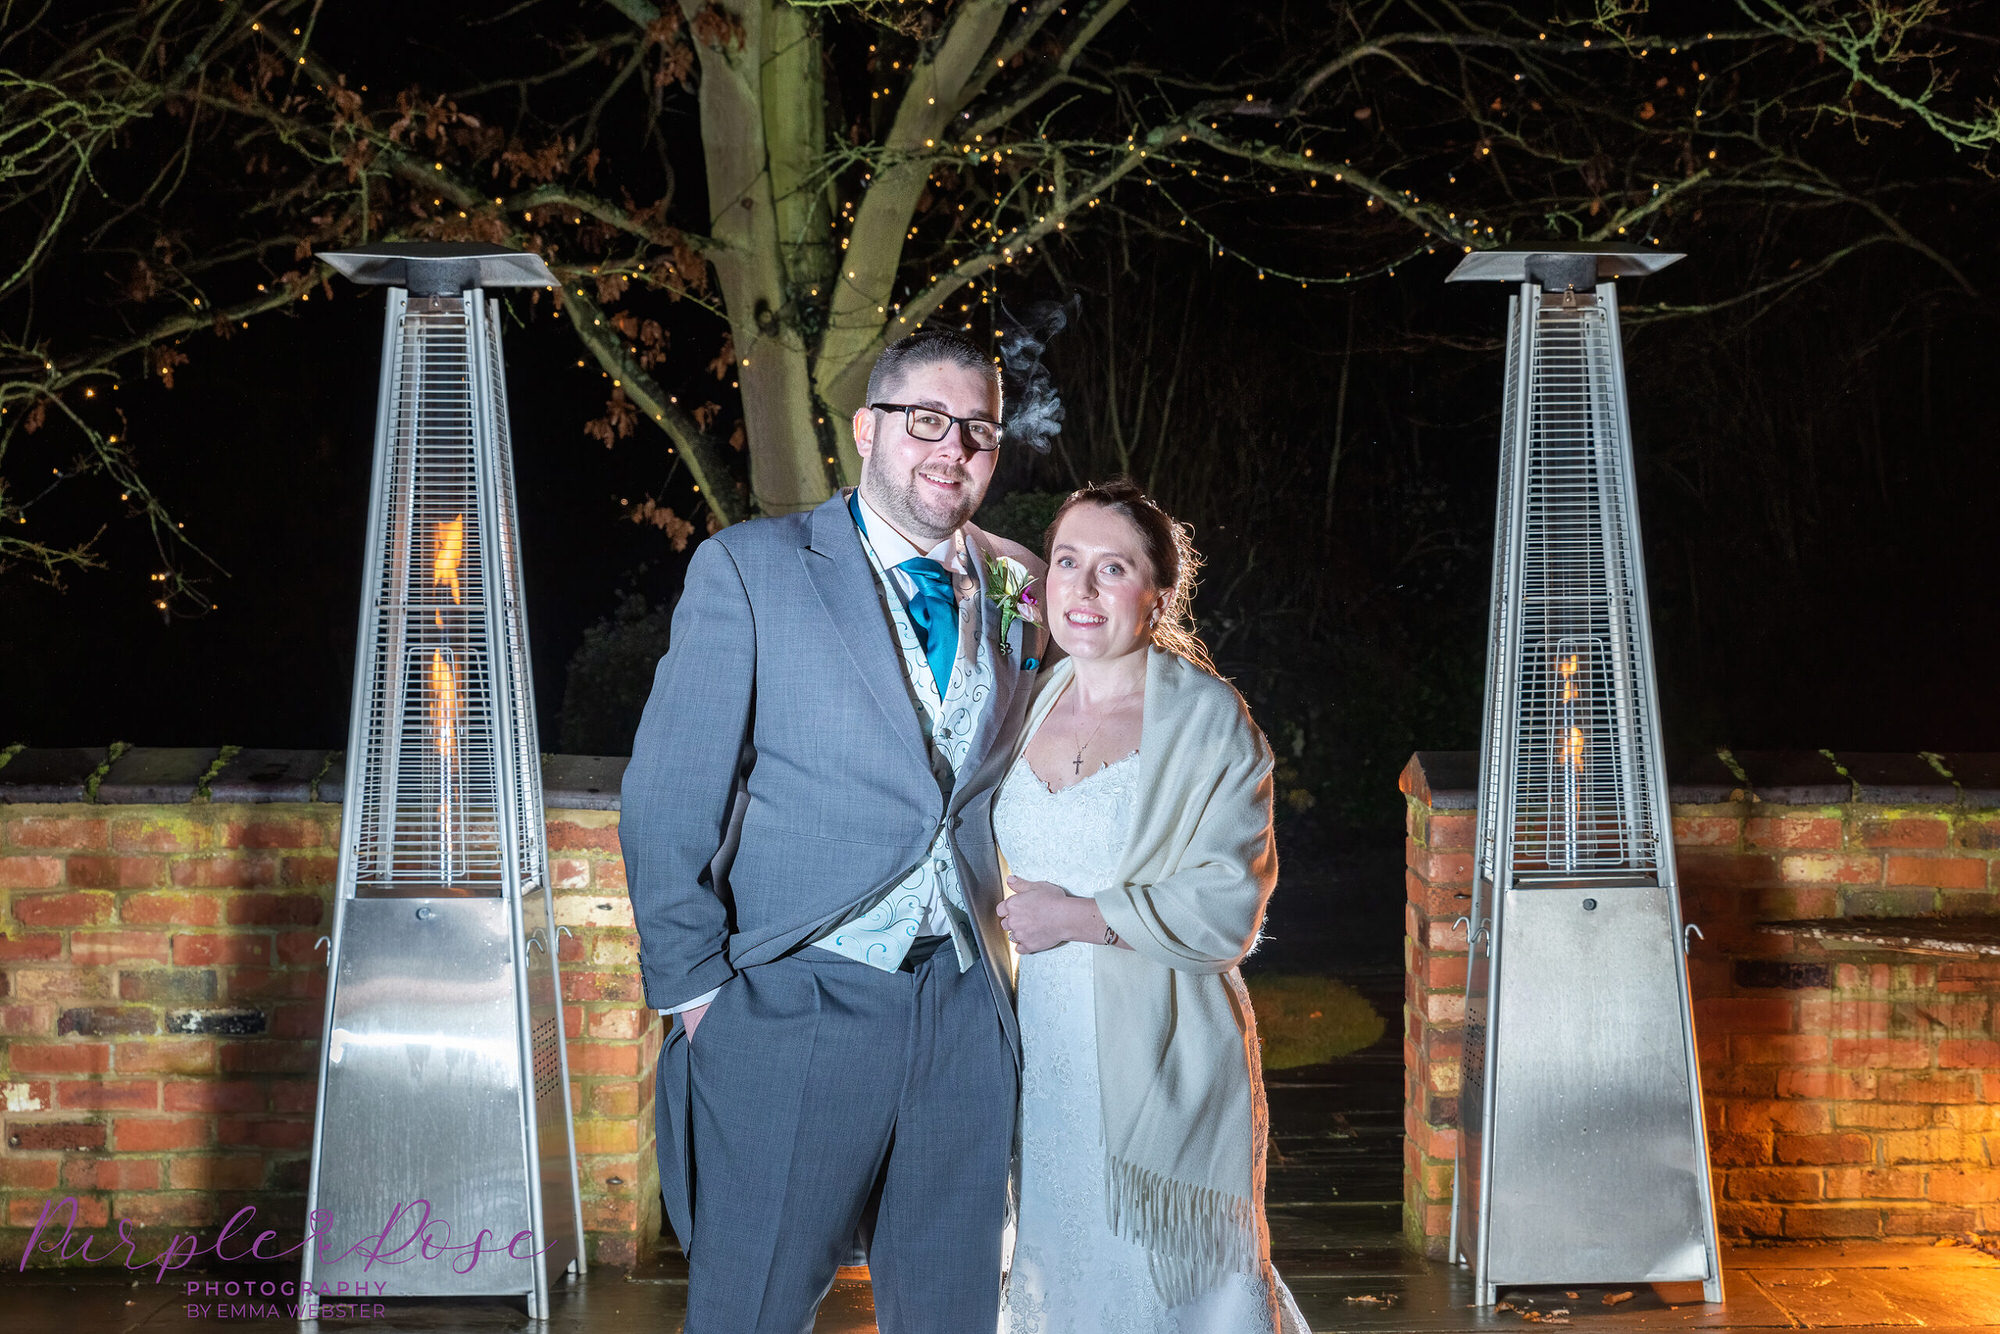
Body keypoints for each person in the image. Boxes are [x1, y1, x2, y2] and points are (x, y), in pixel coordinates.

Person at [620, 329, 1047, 1333]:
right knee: (750, 1311)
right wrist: (701, 1002)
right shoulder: (752, 568)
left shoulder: (1022, 582)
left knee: (953, 1314)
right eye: (926, 420)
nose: (952, 448)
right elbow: (668, 797)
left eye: (978, 429)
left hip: (966, 1007)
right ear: (866, 429)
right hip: (794, 1003)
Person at [994, 480, 1308, 1334]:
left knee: (1164, 1286)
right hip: (1039, 1054)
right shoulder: (1025, 699)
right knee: (1066, 1273)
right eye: (1067, 562)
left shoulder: (1207, 720)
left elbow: (1228, 903)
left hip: (1164, 1054)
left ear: (1159, 595)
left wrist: (1078, 918)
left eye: (1114, 567)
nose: (1083, 588)